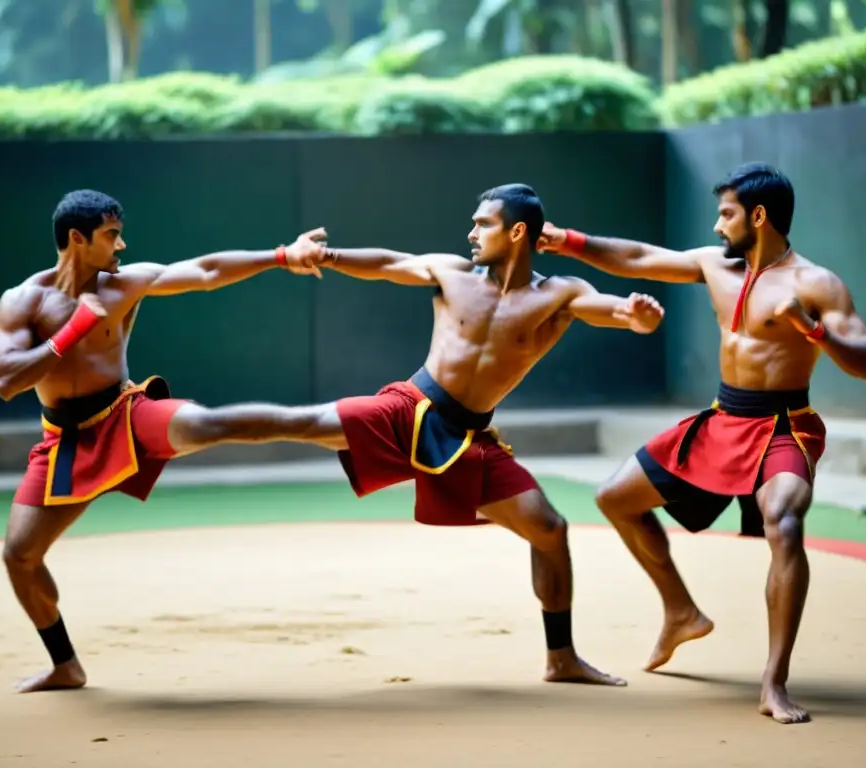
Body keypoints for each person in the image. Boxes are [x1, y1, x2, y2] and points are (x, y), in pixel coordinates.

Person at [266, 182, 666, 686]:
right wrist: (329, 254)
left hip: (470, 435)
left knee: (549, 529)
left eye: (484, 224)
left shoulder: (559, 294)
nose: (471, 232)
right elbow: (390, 263)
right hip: (410, 408)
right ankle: (209, 429)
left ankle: (560, 658)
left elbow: (611, 310)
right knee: (306, 423)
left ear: (517, 232)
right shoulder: (452, 273)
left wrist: (638, 319)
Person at [538, 162, 866, 723]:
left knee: (786, 525)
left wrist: (811, 328)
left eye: (727, 214)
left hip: (783, 426)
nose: (717, 224)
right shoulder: (713, 265)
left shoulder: (816, 284)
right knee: (615, 498)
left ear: (759, 215)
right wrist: (569, 241)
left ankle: (774, 682)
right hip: (724, 418)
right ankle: (680, 611)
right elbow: (636, 257)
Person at [0, 189, 328, 693]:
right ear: (77, 239)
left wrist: (281, 255)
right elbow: (4, 379)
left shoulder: (124, 284)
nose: (121, 244)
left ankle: (324, 425)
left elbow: (207, 271)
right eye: (110, 235)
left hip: (124, 413)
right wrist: (70, 334)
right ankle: (66, 666)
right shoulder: (25, 300)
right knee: (19, 556)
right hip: (65, 438)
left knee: (206, 424)